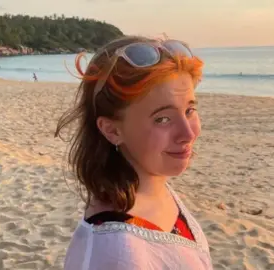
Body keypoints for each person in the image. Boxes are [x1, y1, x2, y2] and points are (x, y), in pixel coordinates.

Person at [56, 36, 212, 269]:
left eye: (190, 110)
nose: (188, 133)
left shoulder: (155, 188)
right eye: (163, 118)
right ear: (112, 130)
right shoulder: (116, 251)